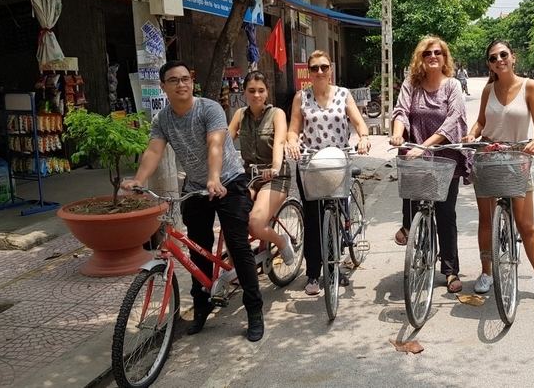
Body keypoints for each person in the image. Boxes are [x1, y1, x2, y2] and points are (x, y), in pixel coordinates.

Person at [121, 60, 265, 342]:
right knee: (198, 249)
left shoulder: (208, 108)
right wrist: (139, 180)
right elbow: (153, 150)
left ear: (192, 82)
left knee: (238, 245)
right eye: (173, 80)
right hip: (196, 186)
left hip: (229, 181)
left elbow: (215, 143)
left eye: (186, 78)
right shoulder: (162, 119)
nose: (181, 84)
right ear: (163, 87)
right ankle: (201, 307)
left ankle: (254, 310)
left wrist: (215, 178)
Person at [462, 40, 534, 310]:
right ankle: (487, 272)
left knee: (526, 225)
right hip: (488, 158)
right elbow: (481, 121)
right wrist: (472, 133)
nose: (499, 60)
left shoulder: (530, 86)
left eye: (503, 55)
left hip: (517, 158)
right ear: (489, 64)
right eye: (493, 58)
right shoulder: (489, 89)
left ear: (513, 57)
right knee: (486, 221)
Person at [285, 50, 371, 296]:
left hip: (337, 162)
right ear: (308, 72)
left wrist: (364, 137)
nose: (320, 71)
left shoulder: (344, 95)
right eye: (315, 68)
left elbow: (358, 122)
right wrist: (291, 141)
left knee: (333, 214)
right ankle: (313, 273)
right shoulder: (301, 97)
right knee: (313, 219)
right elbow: (293, 129)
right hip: (310, 163)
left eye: (324, 67)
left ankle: (333, 268)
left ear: (331, 69)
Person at [390, 36, 470, 294]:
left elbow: (453, 120)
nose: (433, 56)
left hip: (445, 155)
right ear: (420, 58)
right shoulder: (411, 84)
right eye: (427, 53)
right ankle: (411, 233)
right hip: (416, 154)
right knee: (414, 205)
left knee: (446, 214)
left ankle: (449, 270)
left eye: (438, 52)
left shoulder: (453, 86)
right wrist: (396, 132)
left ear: (445, 57)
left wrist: (424, 145)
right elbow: (400, 111)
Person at [228, 71, 295, 267]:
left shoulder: (277, 114)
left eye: (260, 90)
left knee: (255, 225)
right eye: (251, 91)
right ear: (244, 93)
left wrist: (274, 167)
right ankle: (237, 265)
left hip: (275, 177)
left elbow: (280, 143)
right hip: (249, 176)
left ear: (267, 93)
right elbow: (223, 142)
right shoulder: (239, 114)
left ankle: (282, 241)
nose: (256, 95)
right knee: (232, 217)